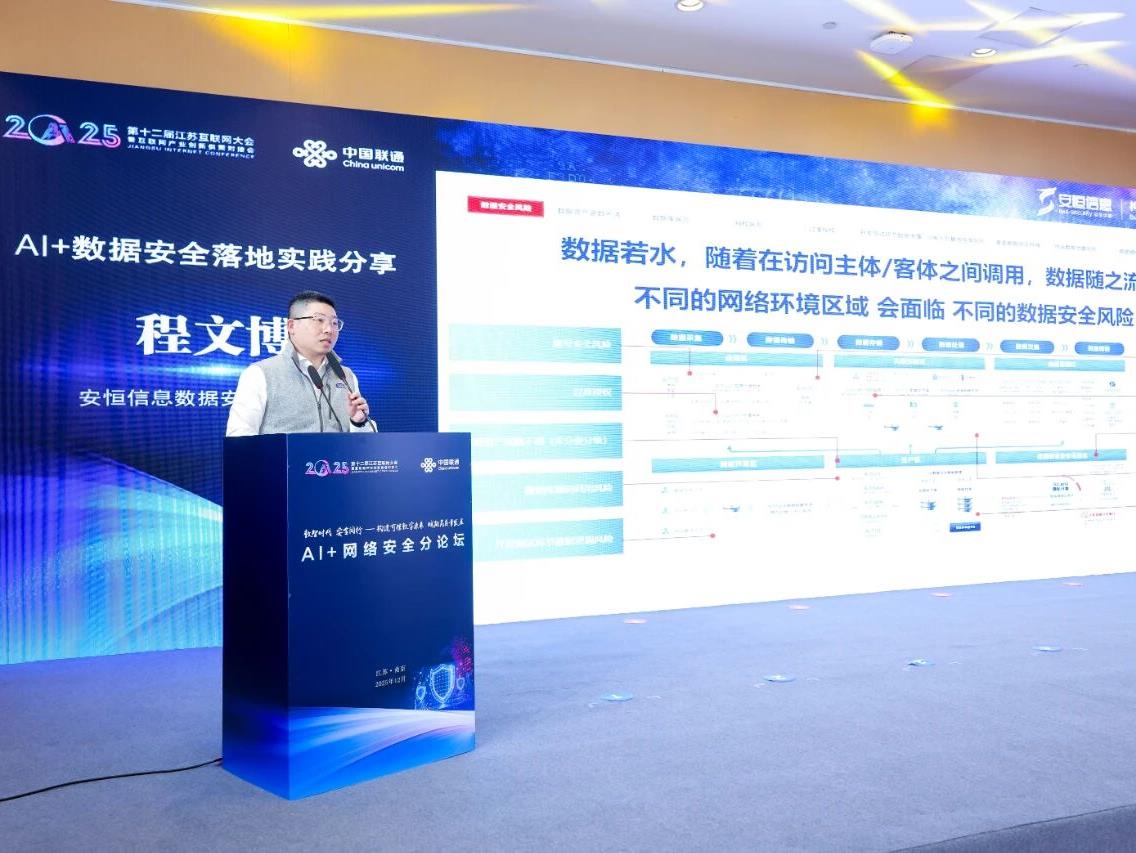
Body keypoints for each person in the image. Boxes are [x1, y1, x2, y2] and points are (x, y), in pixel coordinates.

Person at [226, 290, 375, 436]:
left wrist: (358, 422)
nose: (329, 329)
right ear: (291, 326)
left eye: (334, 323)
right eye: (319, 320)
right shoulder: (260, 373)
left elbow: (365, 445)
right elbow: (239, 439)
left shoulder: (346, 376)